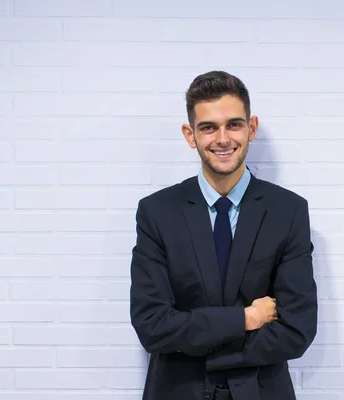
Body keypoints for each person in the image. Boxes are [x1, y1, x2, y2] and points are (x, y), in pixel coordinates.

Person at [129, 71, 318, 400]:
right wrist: (247, 318)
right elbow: (152, 326)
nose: (223, 138)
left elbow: (296, 330)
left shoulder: (288, 211)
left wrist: (200, 348)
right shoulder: (157, 212)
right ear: (190, 135)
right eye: (208, 127)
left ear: (251, 128)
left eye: (234, 124)